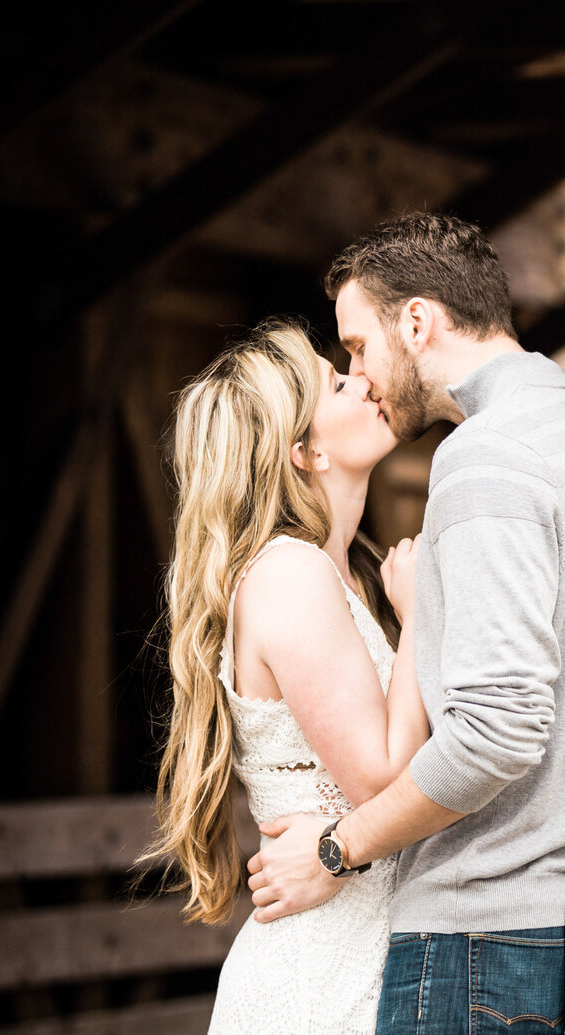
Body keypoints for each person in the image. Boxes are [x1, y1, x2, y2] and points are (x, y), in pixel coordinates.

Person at [244, 213, 565, 1034]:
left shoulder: (484, 454)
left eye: (358, 346)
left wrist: (339, 847)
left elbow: (498, 730)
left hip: (481, 931)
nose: (358, 373)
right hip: (561, 922)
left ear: (418, 321)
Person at [143, 321, 429, 1034]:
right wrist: (425, 618)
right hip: (320, 982)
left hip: (356, 956)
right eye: (337, 381)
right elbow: (383, 776)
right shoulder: (291, 573)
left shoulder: (338, 575)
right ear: (306, 451)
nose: (362, 378)